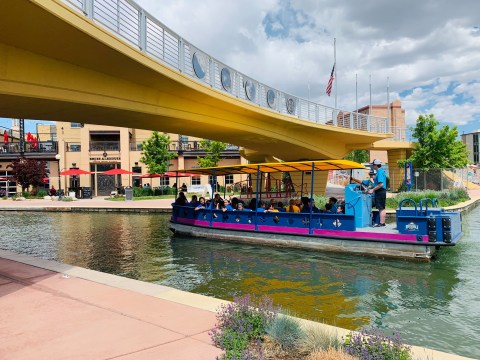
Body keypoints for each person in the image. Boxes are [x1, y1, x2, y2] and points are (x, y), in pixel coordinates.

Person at [367, 159, 387, 227]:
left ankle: (381, 223)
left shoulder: (380, 172)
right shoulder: (380, 171)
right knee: (381, 207)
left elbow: (381, 184)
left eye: (373, 165)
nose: (372, 166)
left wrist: (373, 190)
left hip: (380, 191)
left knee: (381, 207)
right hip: (380, 191)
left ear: (375, 165)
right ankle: (382, 222)